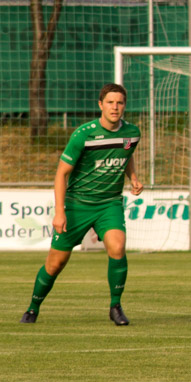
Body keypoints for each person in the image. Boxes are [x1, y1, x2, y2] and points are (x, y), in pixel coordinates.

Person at [20, 83, 143, 326]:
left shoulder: (132, 133)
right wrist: (60, 212)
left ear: (124, 106)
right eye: (110, 102)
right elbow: (61, 174)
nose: (115, 107)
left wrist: (134, 177)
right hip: (77, 205)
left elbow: (126, 154)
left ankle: (115, 306)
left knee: (117, 248)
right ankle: (33, 307)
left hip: (109, 204)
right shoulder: (83, 134)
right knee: (55, 264)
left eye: (119, 103)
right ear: (100, 105)